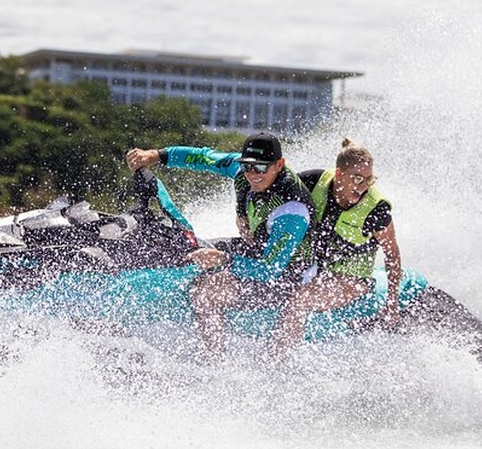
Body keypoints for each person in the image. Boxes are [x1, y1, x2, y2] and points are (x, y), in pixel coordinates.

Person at [126, 132, 314, 358]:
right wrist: (157, 155)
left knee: (204, 292)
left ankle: (216, 359)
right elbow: (204, 157)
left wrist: (224, 259)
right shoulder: (245, 171)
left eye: (261, 168)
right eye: (247, 166)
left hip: (287, 276)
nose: (253, 174)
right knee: (188, 247)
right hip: (255, 251)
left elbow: (270, 270)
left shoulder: (292, 211)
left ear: (279, 164)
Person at [272, 137, 402, 355]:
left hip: (352, 280)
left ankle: (276, 364)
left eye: (369, 180)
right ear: (339, 174)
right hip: (311, 269)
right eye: (358, 178)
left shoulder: (376, 210)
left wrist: (392, 303)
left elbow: (392, 254)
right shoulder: (313, 181)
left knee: (298, 301)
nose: (363, 187)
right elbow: (271, 188)